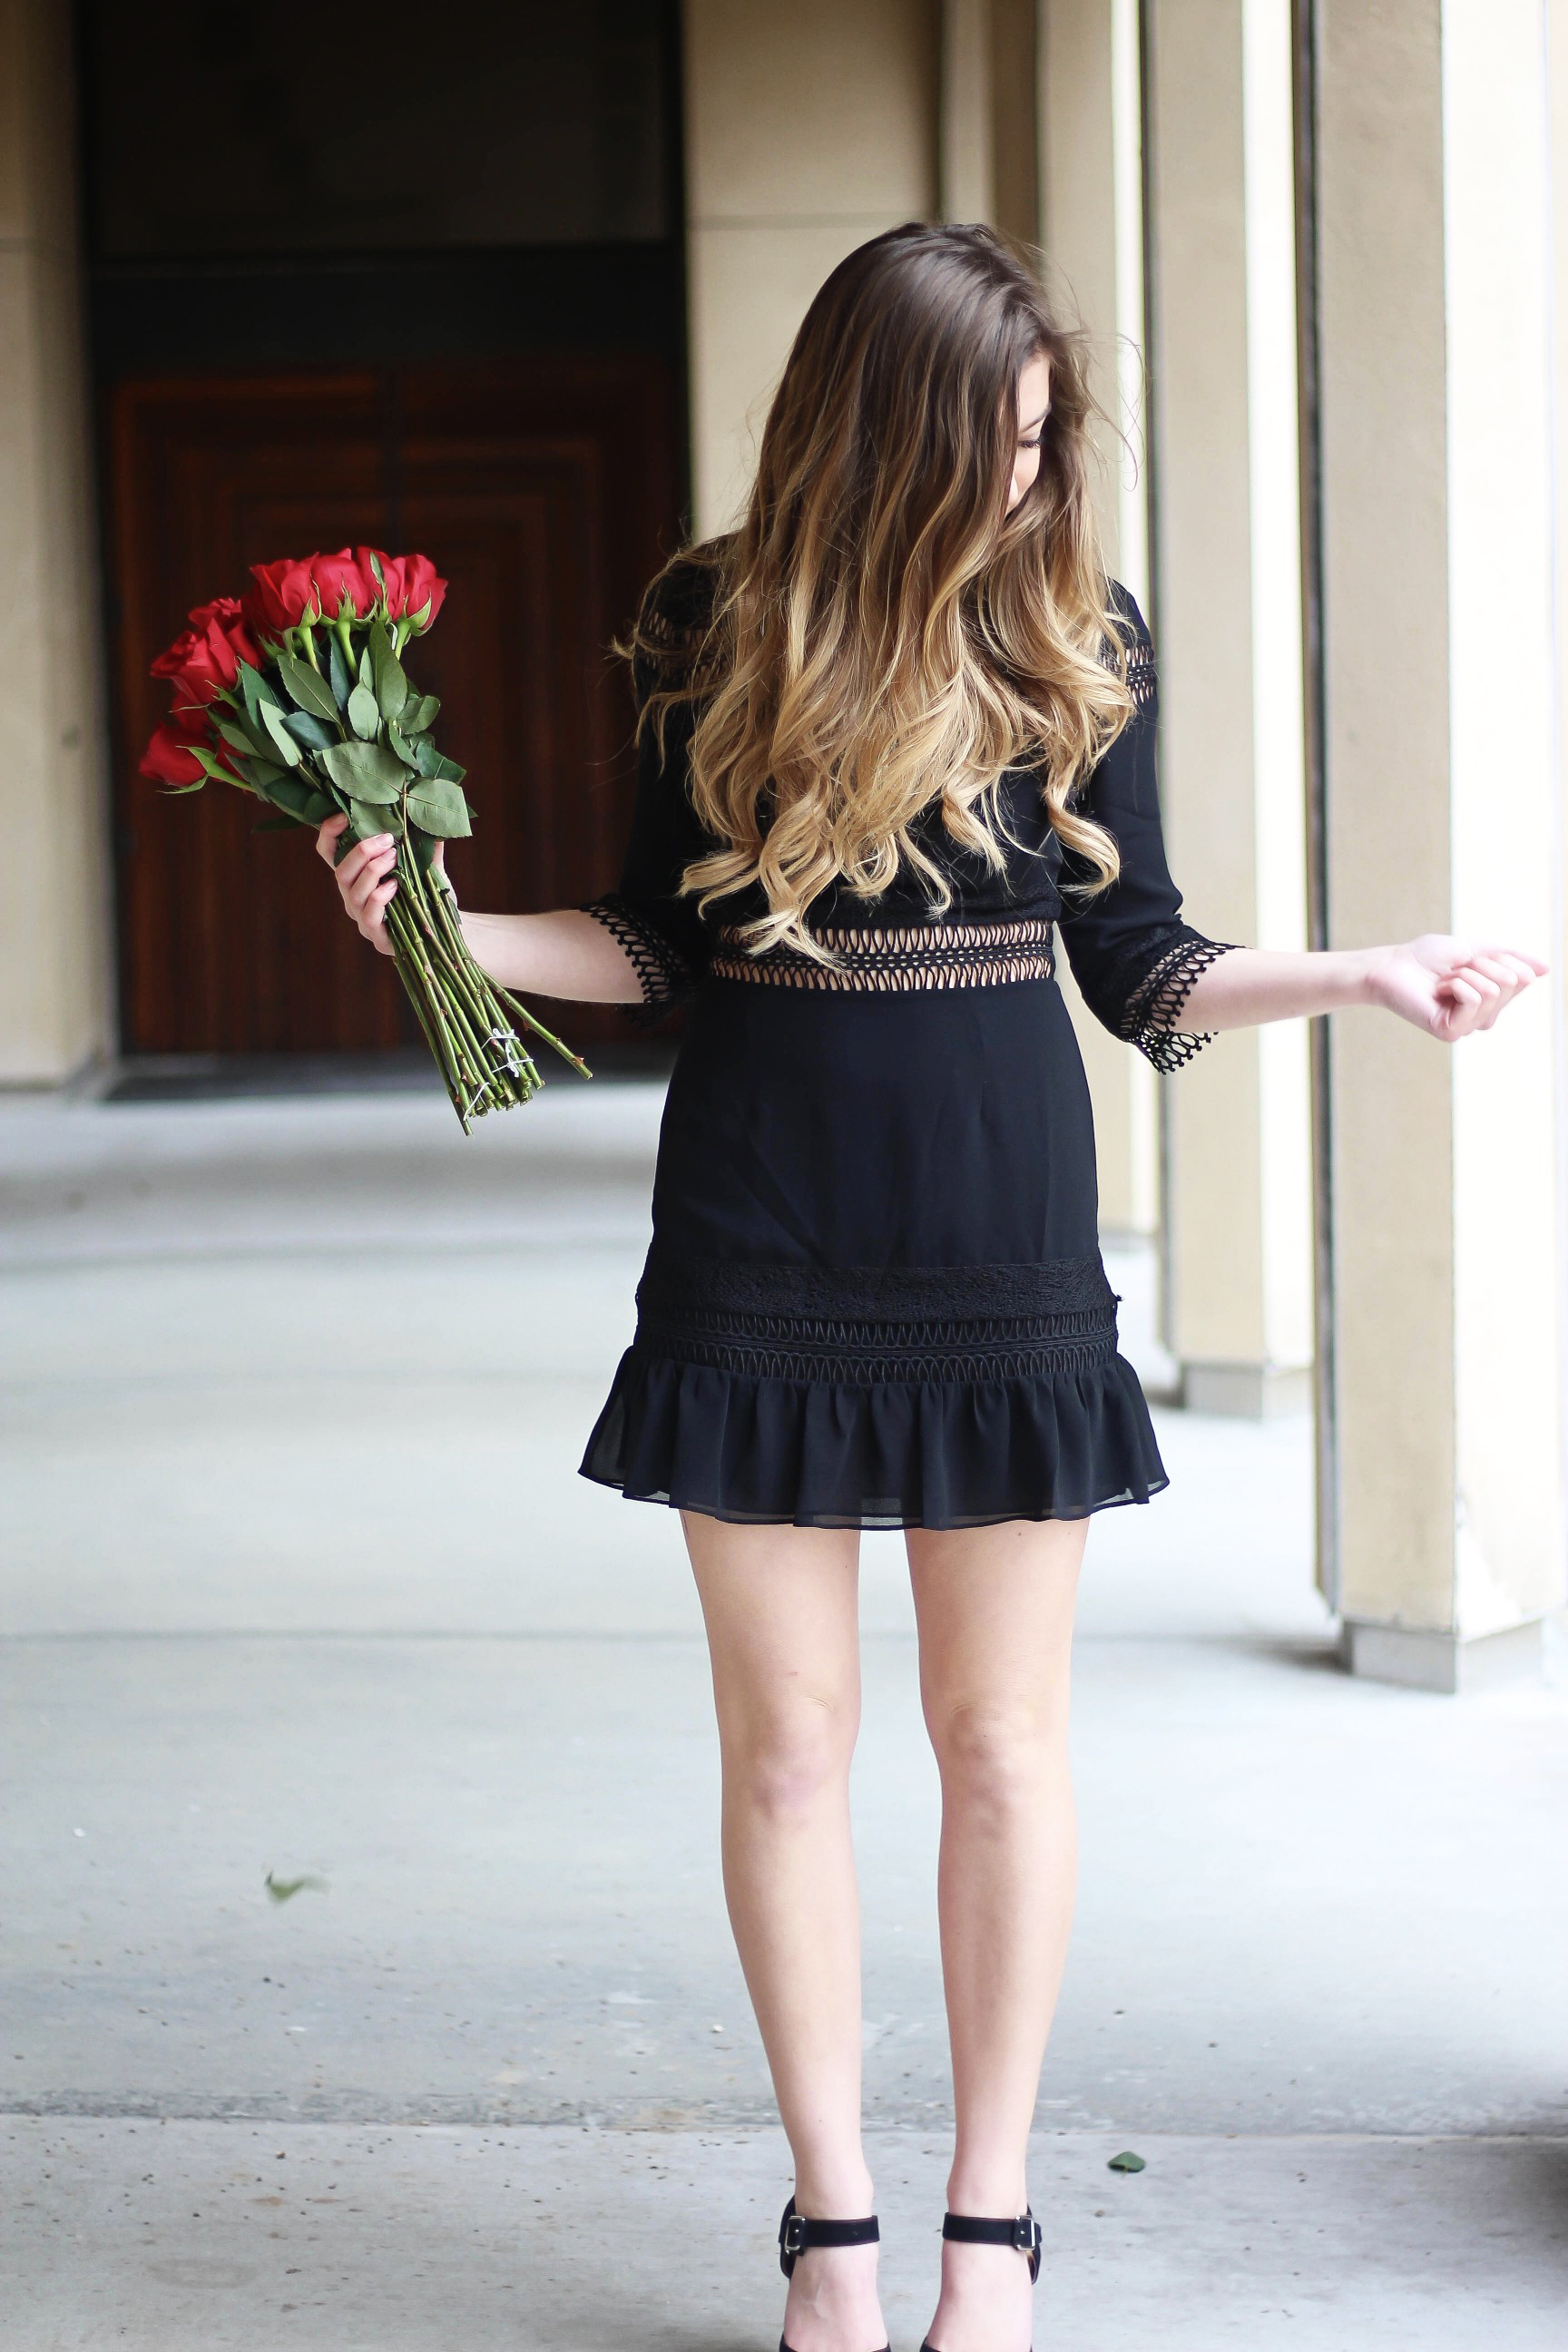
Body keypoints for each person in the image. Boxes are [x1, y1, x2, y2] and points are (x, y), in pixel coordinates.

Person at [317, 224, 1544, 2352]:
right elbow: (663, 940)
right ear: (879, 439)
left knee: (999, 1744)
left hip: (1000, 1249)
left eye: (1046, 438)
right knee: (787, 1754)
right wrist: (442, 926)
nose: (1025, 479)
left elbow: (1141, 959)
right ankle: (835, 2225)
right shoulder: (714, 628)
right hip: (759, 1242)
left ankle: (991, 2223)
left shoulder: (1082, 632)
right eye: (994, 440)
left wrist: (1363, 973)